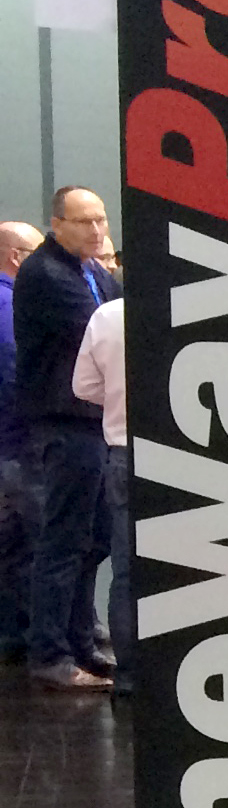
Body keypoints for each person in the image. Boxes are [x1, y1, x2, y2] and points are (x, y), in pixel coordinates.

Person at [17, 185, 116, 689]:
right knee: (63, 540)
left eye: (101, 220)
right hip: (64, 423)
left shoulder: (93, 270)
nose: (96, 231)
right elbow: (104, 329)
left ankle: (81, 643)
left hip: (95, 423)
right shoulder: (46, 273)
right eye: (84, 222)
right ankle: (50, 653)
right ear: (56, 225)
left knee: (95, 538)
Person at [73, 287, 130, 697]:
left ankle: (129, 675)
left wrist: (115, 399)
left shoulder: (107, 316)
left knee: (126, 571)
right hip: (187, 453)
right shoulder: (196, 314)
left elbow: (83, 387)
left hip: (123, 450)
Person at [0, 221, 37, 667]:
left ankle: (14, 637)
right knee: (28, 545)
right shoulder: (10, 305)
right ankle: (29, 638)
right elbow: (15, 373)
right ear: (16, 256)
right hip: (16, 442)